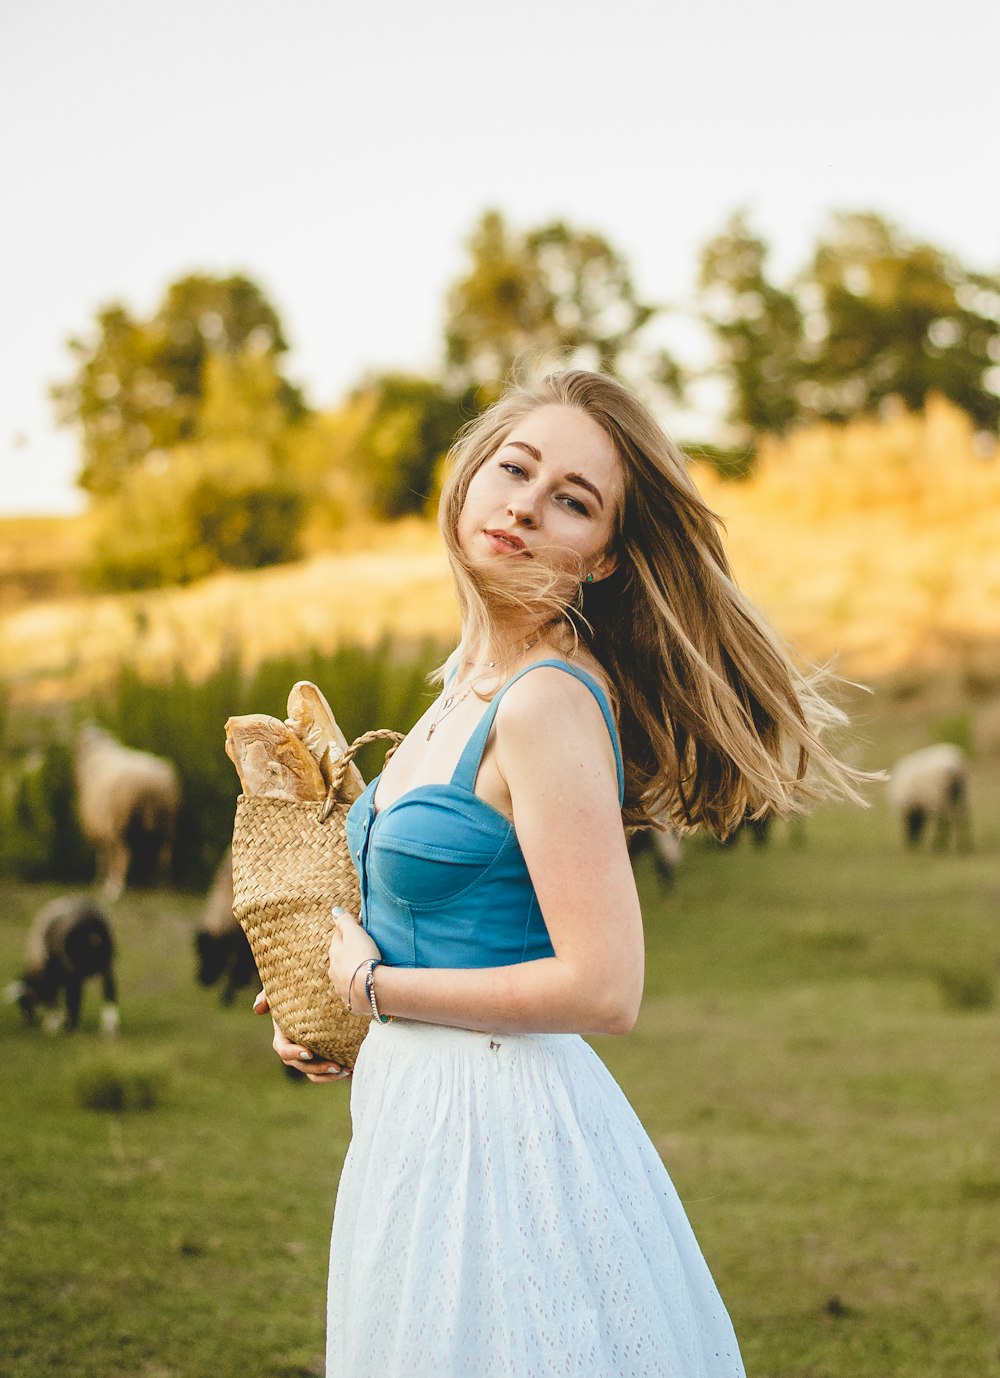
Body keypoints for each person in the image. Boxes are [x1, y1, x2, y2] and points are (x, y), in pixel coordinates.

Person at [254, 369, 871, 1377]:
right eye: (516, 467)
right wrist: (339, 1022)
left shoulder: (543, 702)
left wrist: (373, 987)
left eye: (572, 500)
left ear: (605, 555)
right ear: (469, 477)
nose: (527, 505)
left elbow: (603, 984)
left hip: (502, 1144)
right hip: (417, 1120)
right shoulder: (459, 687)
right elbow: (443, 929)